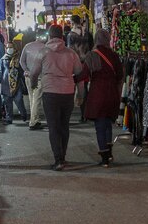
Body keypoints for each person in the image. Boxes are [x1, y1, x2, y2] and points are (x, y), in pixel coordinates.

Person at [30, 24, 84, 171]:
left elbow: (34, 72)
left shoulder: (43, 52)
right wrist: (81, 94)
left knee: (53, 127)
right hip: (67, 92)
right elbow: (79, 73)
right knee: (64, 126)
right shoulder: (71, 53)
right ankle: (63, 157)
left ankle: (58, 159)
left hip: (50, 93)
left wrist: (34, 84)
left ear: (49, 36)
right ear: (62, 36)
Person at [75, 29, 124, 167]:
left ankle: (104, 158)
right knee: (108, 123)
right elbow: (120, 75)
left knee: (100, 125)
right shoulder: (114, 56)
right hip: (112, 93)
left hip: (98, 93)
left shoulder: (92, 55)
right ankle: (109, 153)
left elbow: (84, 74)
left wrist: (72, 79)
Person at [66, 15, 93, 122]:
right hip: (86, 64)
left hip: (74, 65)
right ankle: (84, 114)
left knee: (71, 88)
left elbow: (69, 51)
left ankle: (68, 114)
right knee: (84, 89)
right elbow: (91, 48)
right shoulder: (87, 34)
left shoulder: (71, 35)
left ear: (72, 22)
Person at [20, 31, 46, 130]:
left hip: (28, 76)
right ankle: (33, 122)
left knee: (32, 98)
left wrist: (26, 70)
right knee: (36, 99)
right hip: (39, 77)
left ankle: (36, 119)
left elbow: (21, 61)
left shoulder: (27, 46)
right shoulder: (45, 48)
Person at [0, 41, 28, 124]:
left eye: (11, 47)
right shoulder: (3, 59)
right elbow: (0, 71)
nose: (9, 49)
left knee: (19, 100)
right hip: (5, 83)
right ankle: (9, 118)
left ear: (14, 48)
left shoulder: (19, 58)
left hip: (16, 82)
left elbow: (21, 71)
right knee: (7, 102)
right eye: (7, 47)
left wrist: (26, 80)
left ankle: (24, 115)